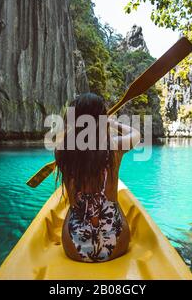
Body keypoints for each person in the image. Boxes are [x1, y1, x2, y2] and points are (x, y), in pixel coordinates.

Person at [55, 93, 141, 263]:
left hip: (74, 248)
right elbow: (136, 134)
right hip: (117, 245)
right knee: (114, 205)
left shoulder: (62, 151)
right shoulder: (114, 147)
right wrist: (112, 122)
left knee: (73, 209)